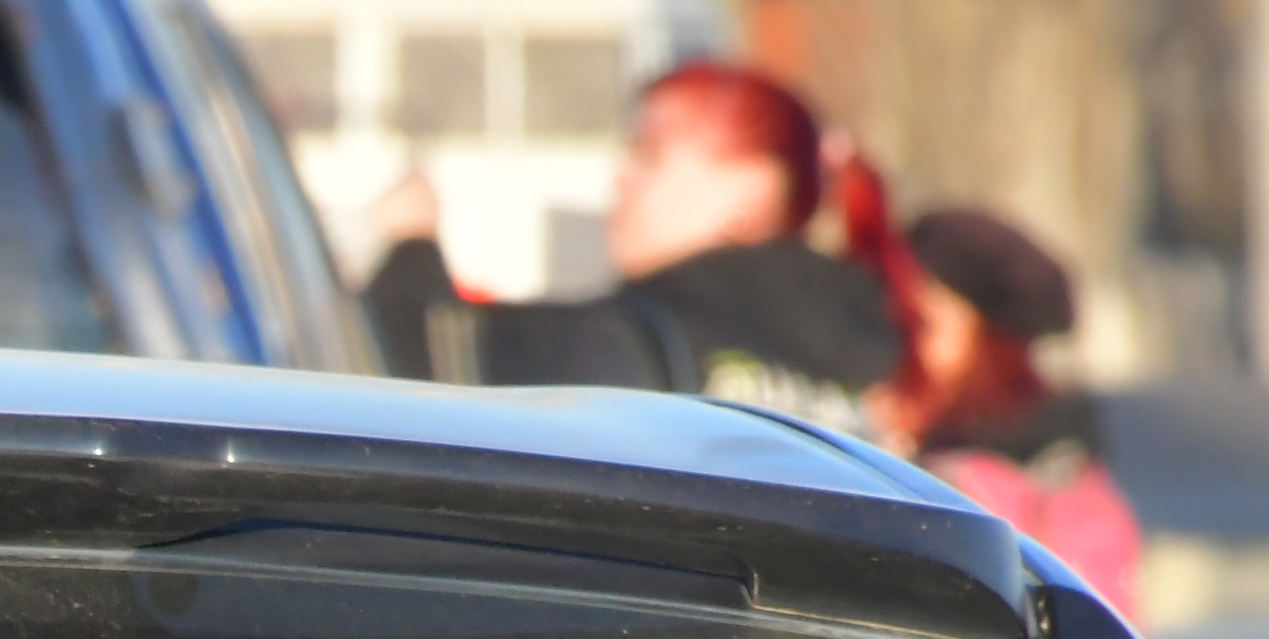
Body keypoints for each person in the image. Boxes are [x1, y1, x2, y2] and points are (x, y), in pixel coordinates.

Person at [359, 61, 911, 436]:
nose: (621, 179)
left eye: (649, 156)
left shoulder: (635, 334)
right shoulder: (881, 347)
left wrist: (411, 244)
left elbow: (417, 362)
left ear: (754, 188)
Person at [878, 204, 1144, 611]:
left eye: (922, 325)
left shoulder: (990, 488)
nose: (901, 346)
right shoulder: (1071, 476)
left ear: (987, 342)